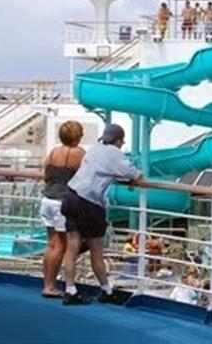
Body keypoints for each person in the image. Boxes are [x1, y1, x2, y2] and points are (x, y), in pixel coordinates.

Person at [60, 123, 142, 305]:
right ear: (118, 140)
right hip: (89, 202)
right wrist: (135, 178)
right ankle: (106, 290)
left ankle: (70, 291)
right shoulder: (115, 153)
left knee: (72, 248)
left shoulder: (94, 148)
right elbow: (134, 173)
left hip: (71, 196)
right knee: (96, 249)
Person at [40, 120, 86, 298]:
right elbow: (86, 176)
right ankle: (50, 286)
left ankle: (47, 283)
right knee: (60, 245)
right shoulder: (79, 154)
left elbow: (46, 176)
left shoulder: (53, 153)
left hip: (47, 200)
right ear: (78, 136)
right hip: (62, 203)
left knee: (51, 244)